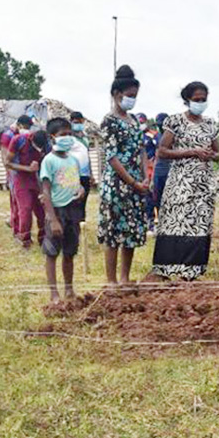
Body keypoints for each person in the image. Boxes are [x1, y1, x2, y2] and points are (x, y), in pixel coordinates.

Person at [148, 82, 219, 281]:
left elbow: (218, 152)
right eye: (196, 100)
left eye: (203, 100)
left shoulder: (211, 124)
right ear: (187, 100)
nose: (200, 103)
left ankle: (192, 271)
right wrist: (192, 152)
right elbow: (162, 151)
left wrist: (211, 155)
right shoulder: (175, 122)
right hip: (180, 181)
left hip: (203, 183)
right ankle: (166, 270)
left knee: (199, 224)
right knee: (175, 222)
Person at [98, 65, 149, 286]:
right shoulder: (108, 122)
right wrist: (132, 181)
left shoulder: (135, 121)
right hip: (117, 184)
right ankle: (111, 281)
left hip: (137, 182)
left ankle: (125, 278)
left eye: (135, 96)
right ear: (117, 95)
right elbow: (111, 157)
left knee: (131, 231)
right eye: (129, 96)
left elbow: (142, 150)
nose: (132, 99)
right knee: (114, 231)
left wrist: (145, 177)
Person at [41, 118, 84, 302]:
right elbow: (46, 192)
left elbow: (77, 182)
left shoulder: (73, 160)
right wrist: (53, 219)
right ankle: (54, 293)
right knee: (52, 253)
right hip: (57, 211)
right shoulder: (48, 161)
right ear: (52, 138)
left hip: (73, 211)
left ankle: (69, 289)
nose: (67, 138)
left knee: (69, 252)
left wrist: (81, 190)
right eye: (62, 135)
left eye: (69, 134)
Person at [4, 130, 49, 248]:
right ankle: (25, 239)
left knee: (42, 209)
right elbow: (7, 162)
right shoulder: (19, 140)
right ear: (31, 139)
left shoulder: (47, 144)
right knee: (26, 209)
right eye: (36, 146)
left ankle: (43, 238)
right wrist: (27, 168)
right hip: (21, 178)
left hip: (37, 178)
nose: (39, 149)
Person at [0, 116, 33, 238]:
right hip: (14, 173)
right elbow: (5, 158)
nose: (26, 129)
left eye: (28, 128)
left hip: (26, 173)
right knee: (16, 203)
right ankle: (17, 231)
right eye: (25, 127)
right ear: (19, 125)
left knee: (23, 204)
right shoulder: (8, 136)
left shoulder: (26, 136)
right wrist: (9, 174)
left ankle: (18, 227)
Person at [68, 112, 94, 221]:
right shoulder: (69, 138)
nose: (78, 124)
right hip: (73, 174)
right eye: (75, 122)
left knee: (84, 198)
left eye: (79, 122)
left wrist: (91, 173)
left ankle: (81, 220)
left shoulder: (85, 138)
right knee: (75, 199)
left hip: (85, 174)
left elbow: (88, 156)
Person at [152, 112, 171, 214]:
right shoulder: (156, 136)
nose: (160, 127)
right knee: (157, 198)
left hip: (170, 171)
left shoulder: (173, 136)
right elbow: (156, 155)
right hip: (158, 172)